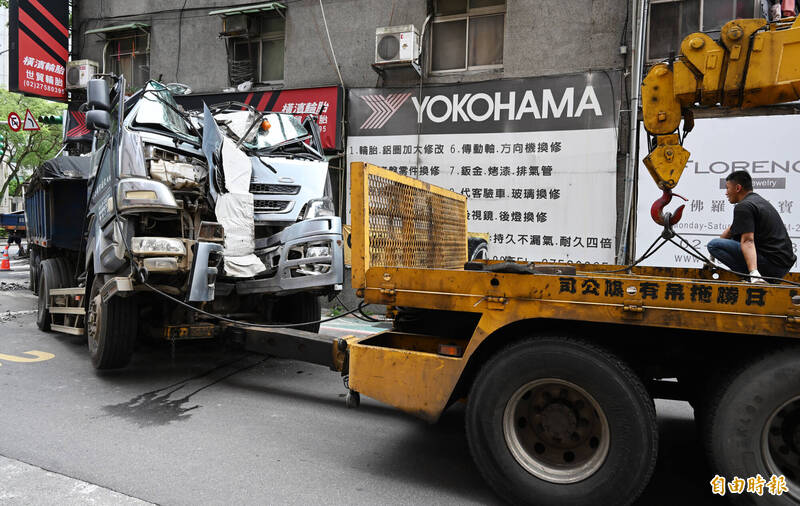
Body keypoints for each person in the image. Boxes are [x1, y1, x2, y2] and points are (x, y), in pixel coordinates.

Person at [707, 170, 796, 283]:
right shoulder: (757, 202)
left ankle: (750, 277)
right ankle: (754, 275)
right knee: (732, 239)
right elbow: (731, 230)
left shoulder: (743, 206)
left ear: (738, 188)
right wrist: (711, 257)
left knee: (713, 245)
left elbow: (748, 241)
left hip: (771, 267)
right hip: (782, 267)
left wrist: (754, 273)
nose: (726, 193)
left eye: (728, 188)